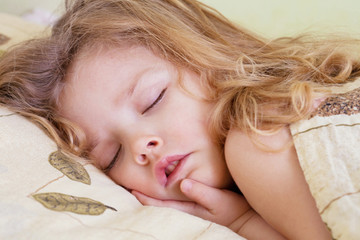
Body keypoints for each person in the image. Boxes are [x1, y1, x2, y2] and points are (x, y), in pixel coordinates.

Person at [0, 0, 359, 239]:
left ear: (210, 60)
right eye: (112, 156)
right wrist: (240, 220)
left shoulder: (255, 138)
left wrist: (244, 222)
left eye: (152, 100)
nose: (141, 145)